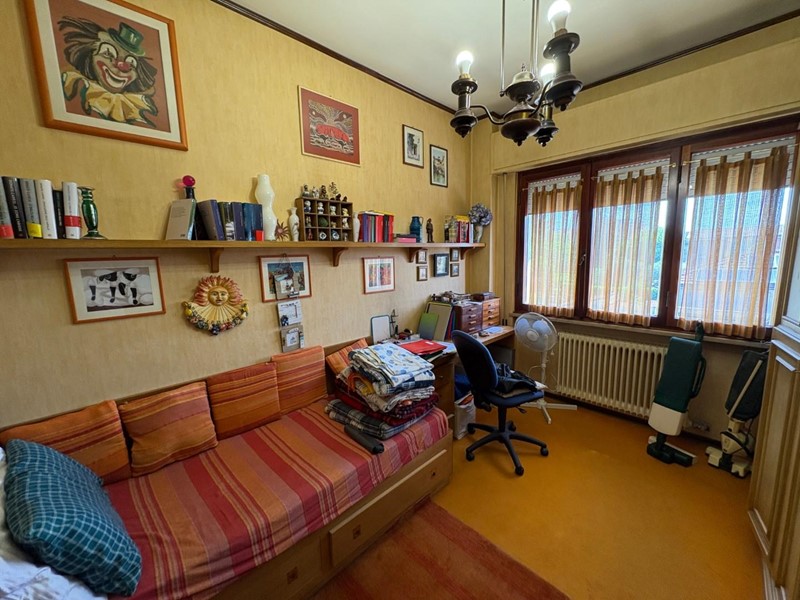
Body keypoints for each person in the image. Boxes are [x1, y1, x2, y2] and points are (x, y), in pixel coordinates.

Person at [183, 275, 248, 335]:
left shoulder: (240, 308)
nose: (219, 297)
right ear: (206, 295)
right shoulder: (192, 308)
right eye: (214, 294)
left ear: (229, 295)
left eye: (223, 294)